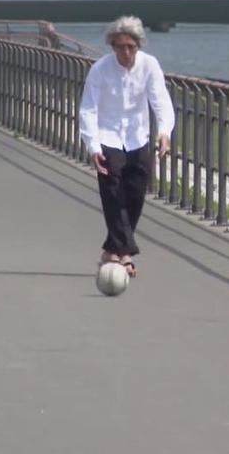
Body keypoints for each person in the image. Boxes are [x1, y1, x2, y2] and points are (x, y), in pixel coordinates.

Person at [79, 16, 174, 277]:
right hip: (108, 137)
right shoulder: (100, 69)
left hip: (138, 136)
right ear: (112, 45)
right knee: (112, 194)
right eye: (120, 46)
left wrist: (164, 132)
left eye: (131, 46)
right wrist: (93, 145)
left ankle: (111, 248)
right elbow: (88, 108)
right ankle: (125, 254)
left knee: (135, 195)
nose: (126, 52)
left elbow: (161, 101)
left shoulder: (150, 66)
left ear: (139, 45)